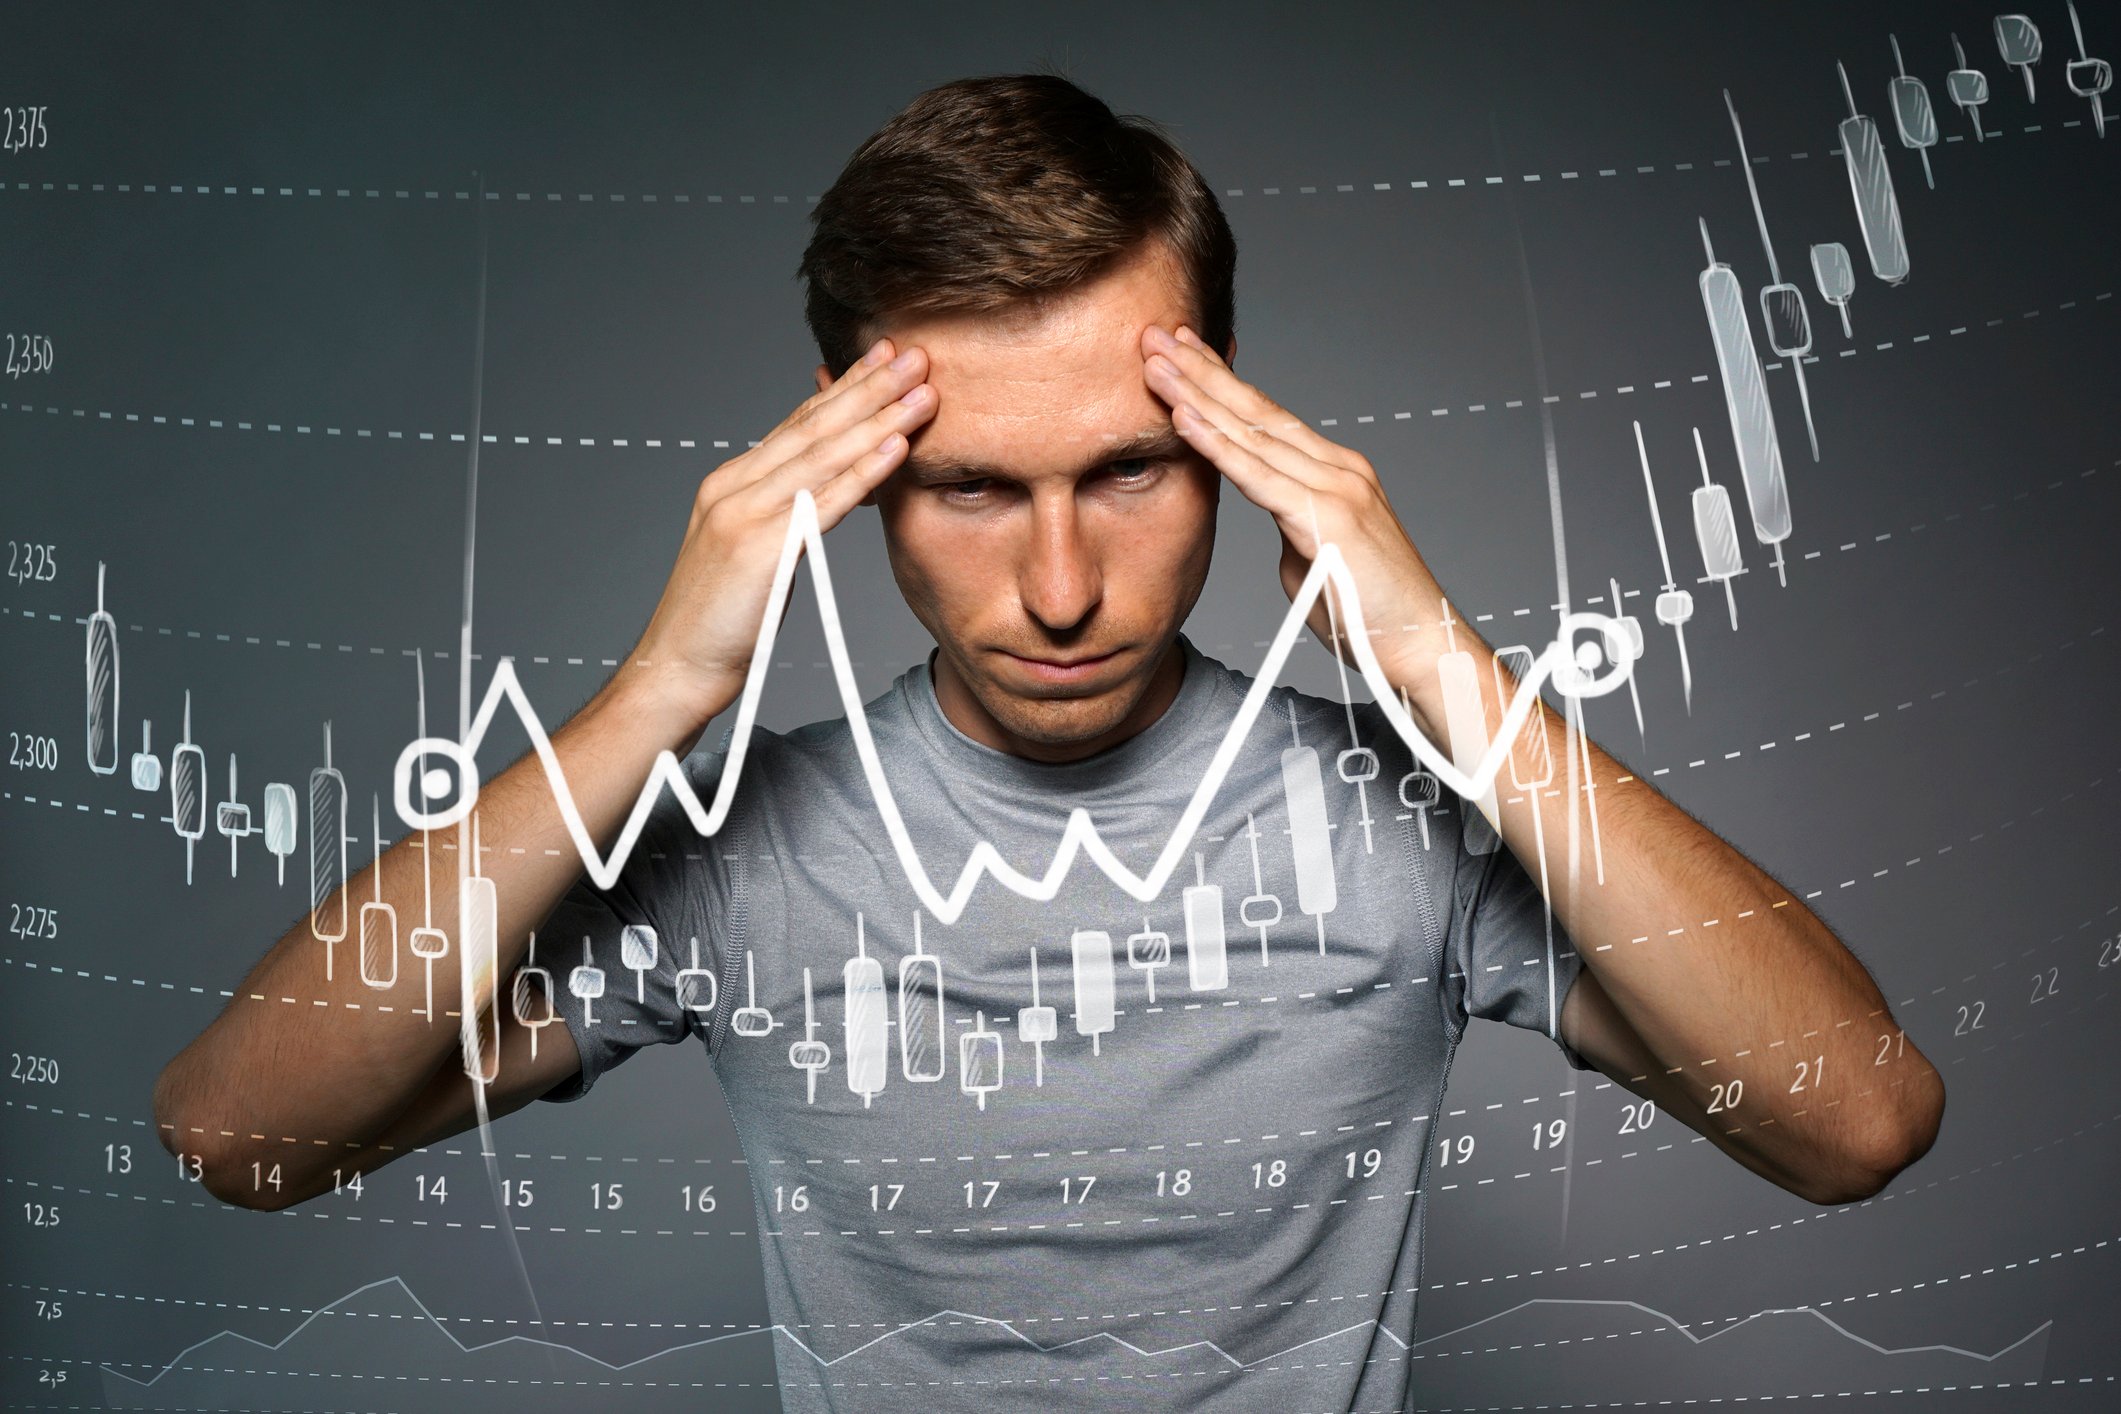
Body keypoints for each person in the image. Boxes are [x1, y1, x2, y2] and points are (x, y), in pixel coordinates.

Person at [154, 73, 1945, 1412]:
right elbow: (240, 1136)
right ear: (852, 487)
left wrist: (1444, 670)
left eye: (1129, 469)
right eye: (968, 490)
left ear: (1232, 429)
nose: (1065, 582)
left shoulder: (1406, 822)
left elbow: (1853, 1122)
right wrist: (652, 705)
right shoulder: (742, 846)